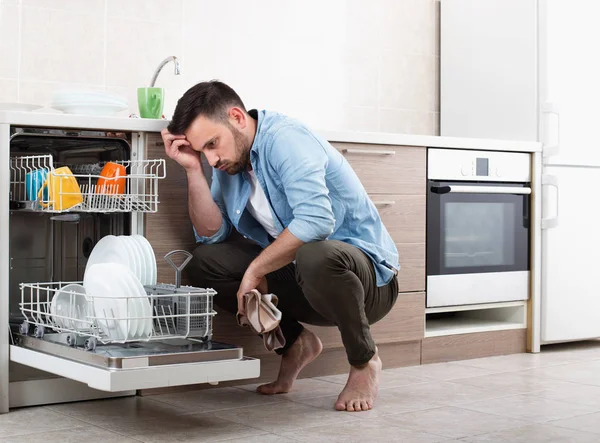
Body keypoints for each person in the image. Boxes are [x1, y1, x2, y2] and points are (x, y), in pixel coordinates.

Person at [162, 80, 399, 412]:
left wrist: (254, 272)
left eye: (213, 144)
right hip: (305, 279)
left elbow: (317, 223)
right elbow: (211, 234)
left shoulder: (286, 140)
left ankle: (364, 361)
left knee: (316, 253)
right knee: (205, 261)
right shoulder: (229, 162)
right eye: (204, 151)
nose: (212, 158)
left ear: (237, 117)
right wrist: (192, 170)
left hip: (367, 282)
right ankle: (295, 344)